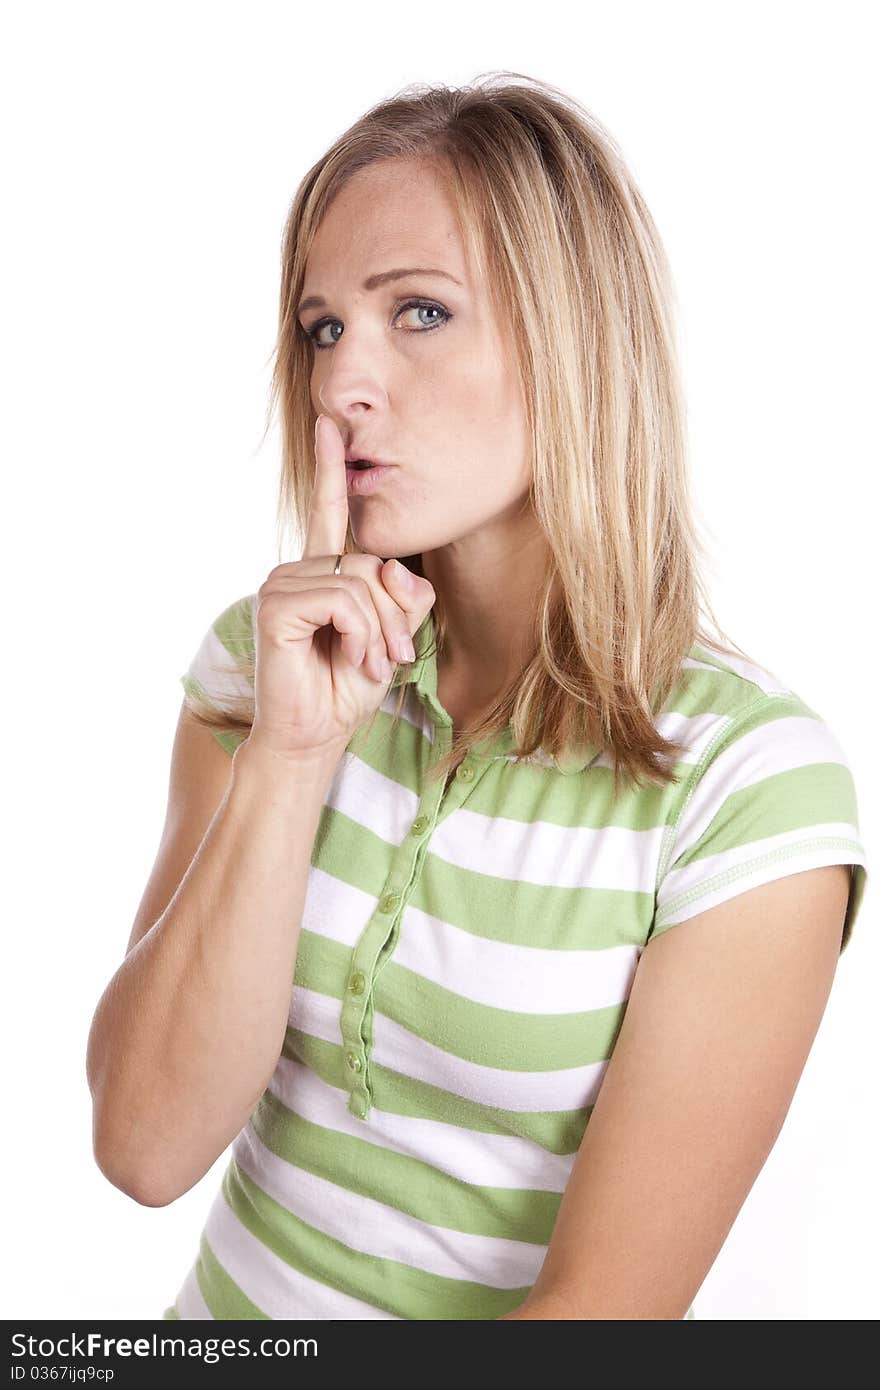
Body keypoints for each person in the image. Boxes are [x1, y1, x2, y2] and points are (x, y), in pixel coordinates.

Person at [86, 73, 869, 1321]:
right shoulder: (265, 662)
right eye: (322, 327)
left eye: (421, 312)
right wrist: (292, 759)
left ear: (574, 341)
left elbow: (595, 1318)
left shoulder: (748, 793)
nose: (343, 383)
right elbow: (142, 1146)